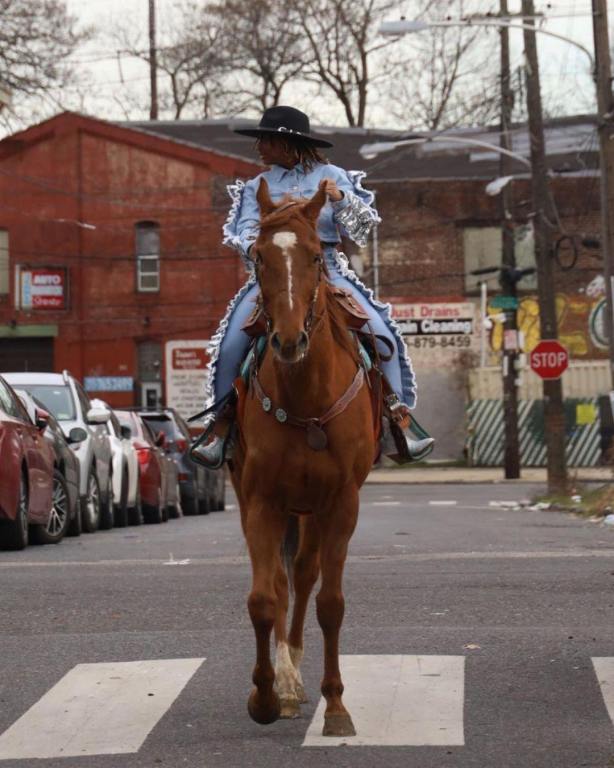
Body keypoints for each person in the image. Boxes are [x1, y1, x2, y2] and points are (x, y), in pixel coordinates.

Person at [194, 105, 434, 468]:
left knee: (381, 336)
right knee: (230, 345)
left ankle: (397, 419)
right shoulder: (256, 186)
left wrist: (341, 199)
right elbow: (242, 233)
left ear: (285, 143)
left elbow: (364, 228)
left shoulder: (332, 175)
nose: (259, 147)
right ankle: (222, 427)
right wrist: (263, 248)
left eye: (265, 140)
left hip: (328, 270)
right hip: (274, 276)